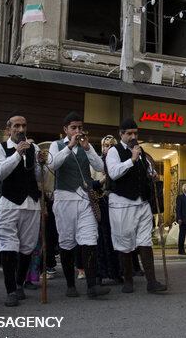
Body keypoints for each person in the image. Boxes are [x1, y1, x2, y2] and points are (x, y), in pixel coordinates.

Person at [48, 112, 110, 298]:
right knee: (67, 242)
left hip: (84, 199)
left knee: (90, 239)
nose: (77, 131)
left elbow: (100, 167)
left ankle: (92, 286)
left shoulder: (86, 147)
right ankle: (70, 285)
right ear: (65, 129)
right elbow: (53, 164)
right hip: (64, 199)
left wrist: (88, 148)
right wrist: (70, 146)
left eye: (80, 128)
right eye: (73, 128)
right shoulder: (56, 145)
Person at [0, 110, 47, 306]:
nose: (21, 129)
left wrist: (41, 164)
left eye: (23, 126)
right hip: (7, 203)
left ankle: (19, 282)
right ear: (9, 129)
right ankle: (10, 290)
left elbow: (41, 178)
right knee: (8, 245)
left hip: (30, 203)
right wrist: (17, 154)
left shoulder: (33, 148)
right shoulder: (0, 148)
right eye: (16, 126)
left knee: (27, 247)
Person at [105, 118, 167, 294]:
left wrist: (152, 176)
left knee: (145, 241)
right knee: (124, 243)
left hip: (142, 203)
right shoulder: (114, 152)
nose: (133, 136)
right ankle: (128, 280)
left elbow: (147, 172)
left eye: (135, 133)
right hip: (122, 203)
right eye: (129, 133)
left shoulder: (141, 153)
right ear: (121, 134)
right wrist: (131, 159)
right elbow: (114, 173)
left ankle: (152, 281)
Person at [92, 135, 123, 285]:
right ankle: (99, 274)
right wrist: (100, 181)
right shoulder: (96, 163)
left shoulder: (118, 162)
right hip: (100, 205)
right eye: (106, 145)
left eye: (112, 145)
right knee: (100, 240)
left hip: (115, 204)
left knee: (115, 238)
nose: (109, 148)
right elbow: (87, 183)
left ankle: (116, 272)